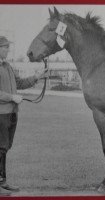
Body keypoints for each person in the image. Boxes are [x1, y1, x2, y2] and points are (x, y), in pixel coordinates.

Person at [0, 36, 47, 195]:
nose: (7, 49)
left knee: (5, 147)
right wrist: (12, 97)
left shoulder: (8, 66)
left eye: (7, 47)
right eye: (5, 47)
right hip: (1, 114)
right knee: (1, 147)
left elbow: (19, 83)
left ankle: (2, 181)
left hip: (12, 113)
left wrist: (37, 77)